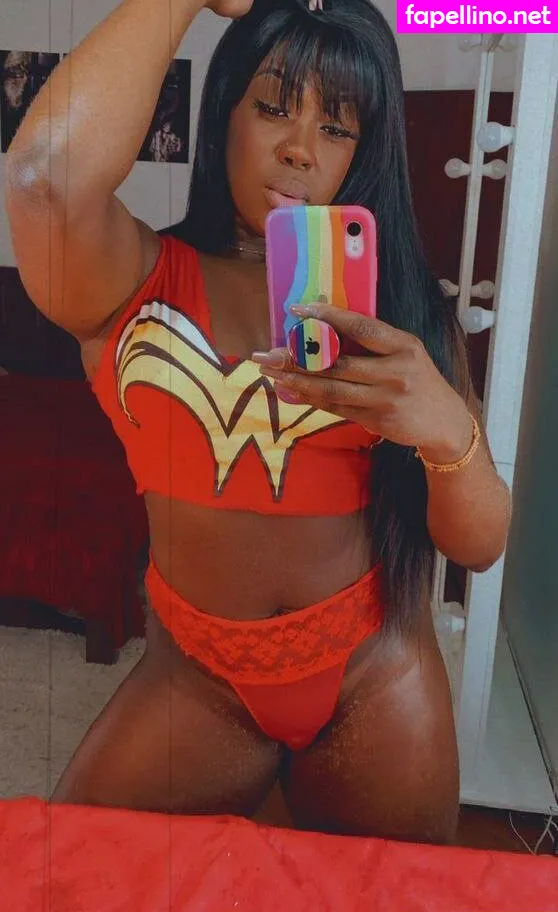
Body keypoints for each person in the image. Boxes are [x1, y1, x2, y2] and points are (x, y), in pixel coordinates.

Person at [4, 0, 511, 843]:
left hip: (374, 679)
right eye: (273, 107)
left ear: (365, 152)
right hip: (198, 682)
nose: (300, 148)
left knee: (399, 898)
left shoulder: (403, 315)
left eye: (337, 128)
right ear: (224, 111)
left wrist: (444, 426)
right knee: (71, 875)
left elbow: (480, 544)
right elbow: (40, 182)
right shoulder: (133, 280)